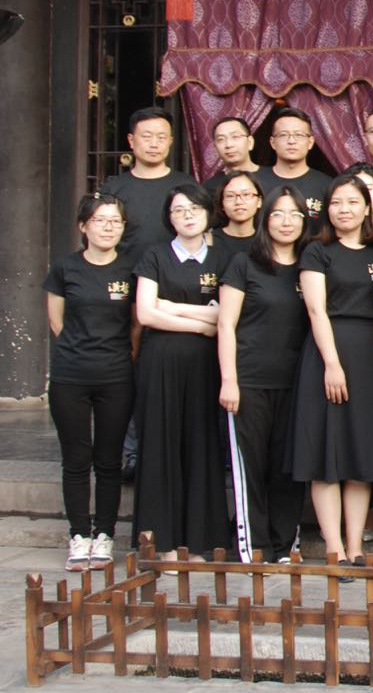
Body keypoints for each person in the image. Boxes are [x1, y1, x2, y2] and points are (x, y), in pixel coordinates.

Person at [290, 176, 373, 570]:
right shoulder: (317, 252)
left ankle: (355, 545)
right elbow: (316, 310)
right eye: (336, 203)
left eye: (352, 202)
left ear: (369, 207)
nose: (344, 209)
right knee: (326, 453)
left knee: (360, 453)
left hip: (370, 357)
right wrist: (332, 363)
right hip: (327, 353)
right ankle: (333, 546)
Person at [216, 187, 310, 563]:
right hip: (250, 380)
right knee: (250, 467)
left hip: (297, 382)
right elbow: (226, 323)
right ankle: (254, 547)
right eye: (278, 214)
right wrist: (229, 379)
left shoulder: (310, 265)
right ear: (264, 218)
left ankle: (285, 545)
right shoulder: (244, 263)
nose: (286, 222)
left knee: (287, 467)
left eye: (294, 215)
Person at [130, 183, 226, 554]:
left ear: (208, 214)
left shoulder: (222, 259)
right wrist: (201, 323)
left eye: (194, 209)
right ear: (169, 218)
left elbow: (225, 315)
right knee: (161, 446)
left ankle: (200, 542)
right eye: (179, 210)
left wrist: (173, 308)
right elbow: (146, 313)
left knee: (201, 446)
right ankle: (163, 544)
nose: (187, 216)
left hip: (205, 366)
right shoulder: (154, 255)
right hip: (161, 363)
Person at [45, 195, 133, 571]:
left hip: (117, 375)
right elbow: (57, 321)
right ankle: (79, 535)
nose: (108, 227)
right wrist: (81, 351)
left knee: (109, 460)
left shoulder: (131, 269)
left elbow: (135, 325)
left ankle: (105, 535)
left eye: (115, 221)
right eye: (100, 220)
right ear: (83, 226)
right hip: (71, 375)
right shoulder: (65, 267)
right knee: (76, 459)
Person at [101, 107, 197, 269]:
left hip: (177, 274)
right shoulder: (113, 189)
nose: (154, 144)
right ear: (131, 140)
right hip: (124, 273)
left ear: (170, 141)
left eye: (161, 137)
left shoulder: (187, 186)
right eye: (146, 137)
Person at [259, 108, 332, 219]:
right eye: (283, 135)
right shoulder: (255, 182)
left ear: (310, 142)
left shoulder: (327, 185)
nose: (291, 141)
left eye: (299, 135)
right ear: (272, 142)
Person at [210, 169, 264, 270]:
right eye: (230, 196)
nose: (239, 201)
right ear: (222, 203)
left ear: (259, 201)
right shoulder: (209, 241)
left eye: (246, 194)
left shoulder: (266, 242)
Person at [203, 116, 260, 195]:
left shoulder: (273, 177)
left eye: (235, 137)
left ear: (250, 142)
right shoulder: (209, 187)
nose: (228, 145)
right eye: (221, 139)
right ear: (215, 147)